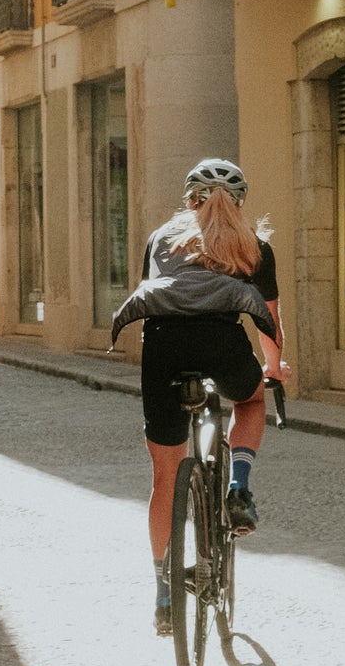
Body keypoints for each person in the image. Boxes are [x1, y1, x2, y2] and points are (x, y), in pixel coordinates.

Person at [110, 159, 287, 628]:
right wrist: (273, 367)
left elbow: (152, 289)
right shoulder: (256, 246)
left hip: (163, 347)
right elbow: (268, 321)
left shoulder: (160, 238)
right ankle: (237, 488)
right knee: (249, 401)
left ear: (189, 200)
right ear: (240, 203)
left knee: (165, 479)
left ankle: (164, 595)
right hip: (222, 343)